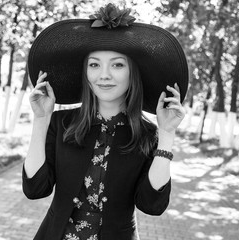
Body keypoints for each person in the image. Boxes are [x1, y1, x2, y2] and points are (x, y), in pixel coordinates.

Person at [23, 3, 189, 240]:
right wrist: (41, 120)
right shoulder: (60, 122)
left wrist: (167, 135)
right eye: (94, 64)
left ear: (133, 72)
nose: (104, 75)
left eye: (118, 65)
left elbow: (152, 205)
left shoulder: (148, 134)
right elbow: (35, 189)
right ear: (86, 72)